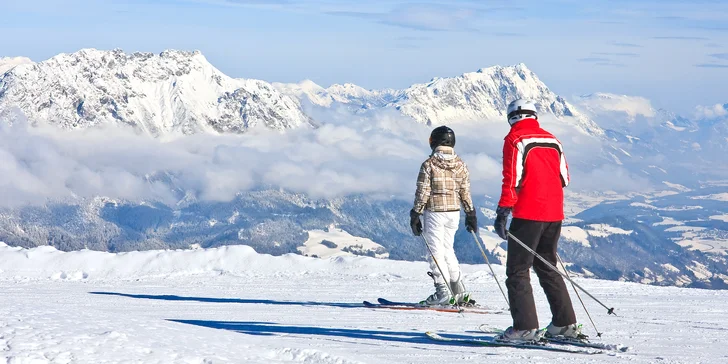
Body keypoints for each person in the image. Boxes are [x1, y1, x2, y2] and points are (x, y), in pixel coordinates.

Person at [493, 99, 581, 342]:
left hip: (527, 214)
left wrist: (503, 211)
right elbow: (564, 178)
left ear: (511, 117)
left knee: (518, 270)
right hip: (554, 214)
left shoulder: (515, 139)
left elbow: (511, 178)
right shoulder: (553, 140)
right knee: (547, 266)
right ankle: (564, 324)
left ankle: (524, 328)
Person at [409, 126, 478, 306]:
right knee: (448, 249)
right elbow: (465, 191)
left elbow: (423, 191)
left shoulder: (429, 164)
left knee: (435, 251)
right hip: (454, 213)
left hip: (434, 212)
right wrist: (470, 212)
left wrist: (416, 213)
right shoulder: (461, 164)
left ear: (434, 141)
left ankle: (442, 291)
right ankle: (459, 290)